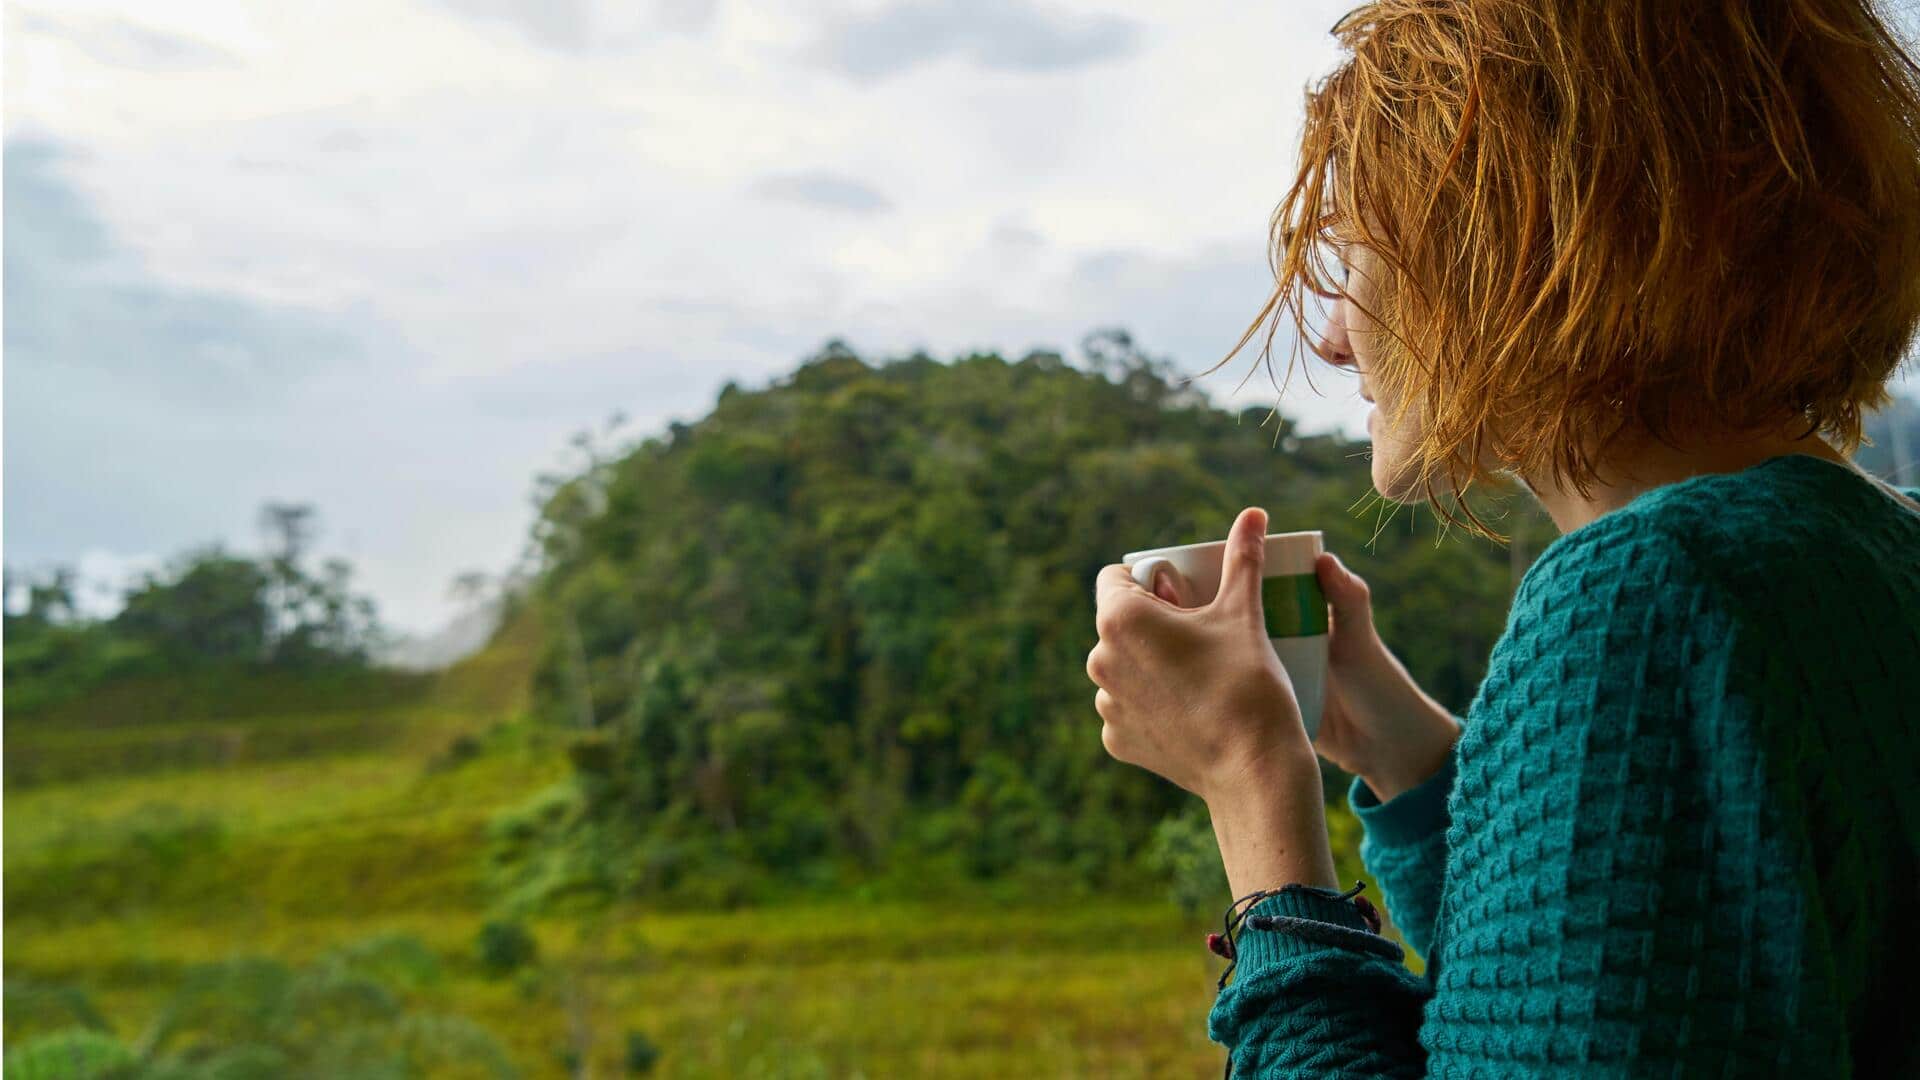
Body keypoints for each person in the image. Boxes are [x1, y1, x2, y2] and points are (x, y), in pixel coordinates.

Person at [1084, 1, 1920, 1074]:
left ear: (1511, 245)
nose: (1335, 339)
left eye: (1354, 259)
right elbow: (1602, 988)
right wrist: (1400, 749)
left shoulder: (1643, 594)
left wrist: (1256, 797)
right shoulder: (1864, 555)